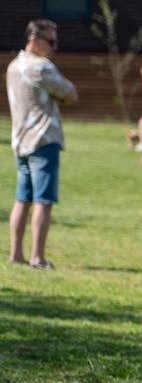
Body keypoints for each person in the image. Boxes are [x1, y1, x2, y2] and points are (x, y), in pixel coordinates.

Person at [7, 19, 77, 270]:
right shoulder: (41, 68)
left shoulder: (14, 66)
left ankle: (15, 254)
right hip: (43, 140)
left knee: (22, 199)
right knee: (43, 201)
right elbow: (71, 94)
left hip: (20, 141)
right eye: (51, 41)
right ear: (34, 40)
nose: (55, 47)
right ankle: (37, 257)